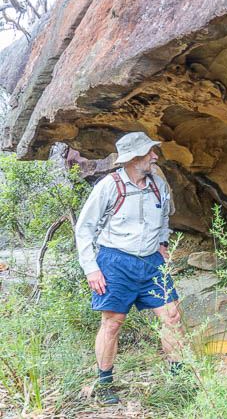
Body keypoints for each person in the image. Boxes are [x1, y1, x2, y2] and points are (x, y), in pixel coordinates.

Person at [75, 131, 184, 404]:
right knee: (112, 324)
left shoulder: (158, 185)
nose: (155, 156)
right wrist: (91, 269)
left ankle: (178, 381)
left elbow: (163, 218)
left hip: (151, 262)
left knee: (172, 317)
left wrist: (162, 243)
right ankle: (105, 385)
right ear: (134, 158)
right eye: (150, 152)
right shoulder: (109, 186)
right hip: (115, 262)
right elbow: (84, 229)